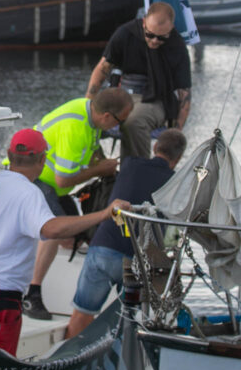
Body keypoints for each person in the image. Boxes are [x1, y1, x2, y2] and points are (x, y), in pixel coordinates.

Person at [0, 129, 131, 360]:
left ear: (9, 154)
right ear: (42, 160)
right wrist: (104, 214)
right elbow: (51, 230)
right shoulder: (28, 192)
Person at [64, 129, 187, 339]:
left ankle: (69, 355)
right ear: (178, 158)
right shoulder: (177, 184)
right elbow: (173, 233)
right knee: (129, 320)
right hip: (138, 261)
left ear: (155, 147)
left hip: (105, 248)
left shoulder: (129, 165)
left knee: (82, 314)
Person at [22, 87, 133, 320]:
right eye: (120, 121)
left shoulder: (90, 115)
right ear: (107, 116)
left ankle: (60, 278)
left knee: (76, 234)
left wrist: (107, 166)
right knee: (56, 229)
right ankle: (31, 294)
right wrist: (99, 170)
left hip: (52, 184)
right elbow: (63, 179)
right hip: (32, 178)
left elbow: (92, 152)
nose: (119, 126)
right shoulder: (76, 128)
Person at [86, 1, 191, 161]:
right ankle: (98, 164)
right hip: (121, 93)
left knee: (134, 121)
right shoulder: (125, 33)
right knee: (88, 117)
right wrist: (87, 104)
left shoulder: (177, 46)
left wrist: (177, 130)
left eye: (161, 38)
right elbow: (102, 69)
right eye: (150, 35)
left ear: (170, 30)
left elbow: (185, 94)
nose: (154, 40)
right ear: (144, 23)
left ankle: (137, 169)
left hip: (157, 99)